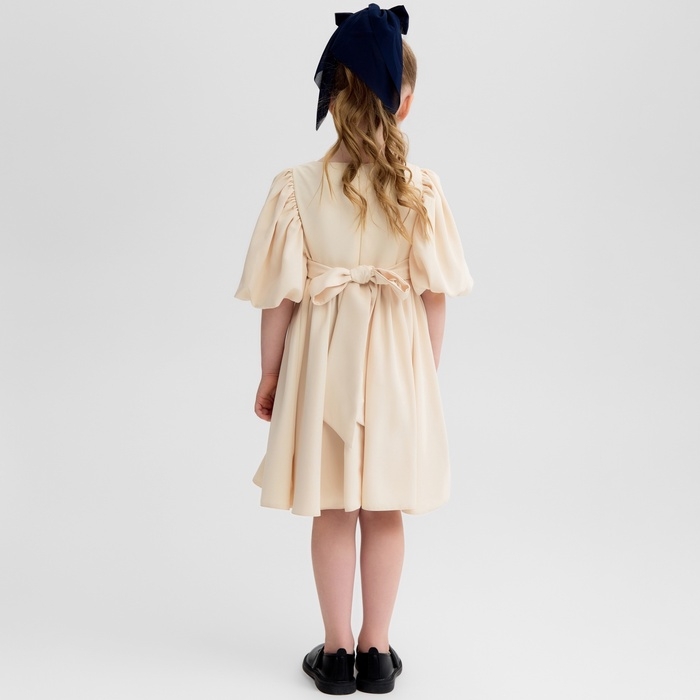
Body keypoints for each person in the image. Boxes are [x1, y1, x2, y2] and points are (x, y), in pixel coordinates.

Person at [235, 4, 473, 694]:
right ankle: (377, 651)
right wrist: (423, 374)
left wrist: (270, 371)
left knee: (336, 506)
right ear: (404, 102)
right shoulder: (420, 191)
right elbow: (436, 296)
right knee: (384, 508)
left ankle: (336, 654)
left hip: (323, 369)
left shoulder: (297, 189)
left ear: (333, 98)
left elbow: (278, 296)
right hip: (396, 368)